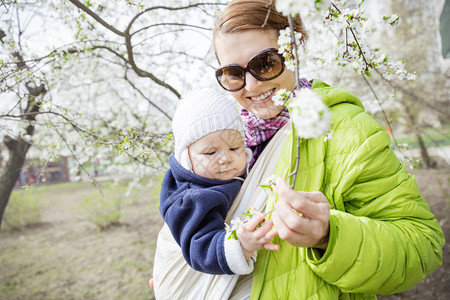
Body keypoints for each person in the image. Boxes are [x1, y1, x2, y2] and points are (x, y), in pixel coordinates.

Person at [207, 0, 445, 299]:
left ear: (295, 47)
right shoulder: (216, 143)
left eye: (265, 62)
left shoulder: (349, 130)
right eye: (233, 73)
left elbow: (423, 245)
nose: (252, 85)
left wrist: (329, 236)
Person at [153, 88, 279, 298]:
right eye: (211, 152)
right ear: (187, 158)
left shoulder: (227, 176)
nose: (225, 159)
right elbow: (199, 248)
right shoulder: (190, 199)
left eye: (235, 148)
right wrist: (241, 245)